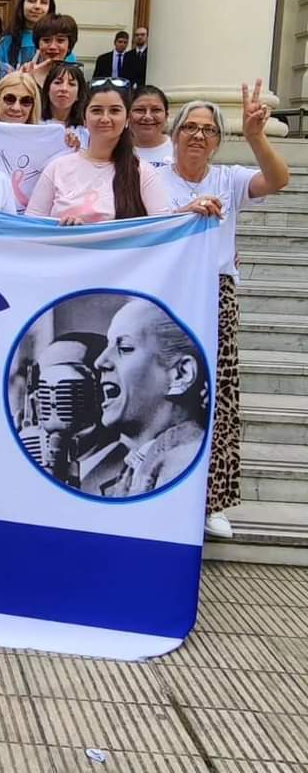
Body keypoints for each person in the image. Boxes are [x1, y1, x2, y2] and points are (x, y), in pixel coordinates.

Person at [160, 81, 290, 539]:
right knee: (164, 397)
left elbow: (278, 180)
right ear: (174, 135)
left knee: (217, 396)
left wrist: (257, 136)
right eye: (189, 127)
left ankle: (211, 501)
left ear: (218, 139)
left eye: (208, 130)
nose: (198, 136)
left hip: (215, 294)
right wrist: (183, 211)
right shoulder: (150, 174)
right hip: (165, 294)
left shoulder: (229, 178)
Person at [83, 300, 208, 498]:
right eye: (108, 346)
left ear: (181, 374)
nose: (100, 361)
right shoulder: (137, 465)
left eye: (124, 347)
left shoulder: (184, 462)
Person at [26, 80, 170, 224]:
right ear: (84, 118)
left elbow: (163, 229)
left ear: (127, 119)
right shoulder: (57, 168)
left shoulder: (143, 172)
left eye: (115, 110)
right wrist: (63, 229)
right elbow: (30, 227)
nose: (105, 118)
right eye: (96, 110)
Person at [0, 0, 56, 67]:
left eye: (44, 2)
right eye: (32, 1)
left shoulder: (58, 44)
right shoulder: (5, 42)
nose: (37, 6)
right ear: (22, 4)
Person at [22, 13, 79, 89]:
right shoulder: (25, 72)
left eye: (60, 40)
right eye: (46, 40)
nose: (52, 47)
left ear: (69, 45)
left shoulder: (76, 77)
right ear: (38, 44)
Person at [41, 62, 89, 147]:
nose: (64, 89)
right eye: (58, 82)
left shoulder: (86, 131)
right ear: (47, 90)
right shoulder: (34, 124)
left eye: (71, 84)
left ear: (79, 94)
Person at [129, 85, 173, 167]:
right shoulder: (114, 151)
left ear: (166, 116)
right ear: (128, 115)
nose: (147, 117)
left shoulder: (180, 150)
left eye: (156, 110)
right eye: (140, 110)